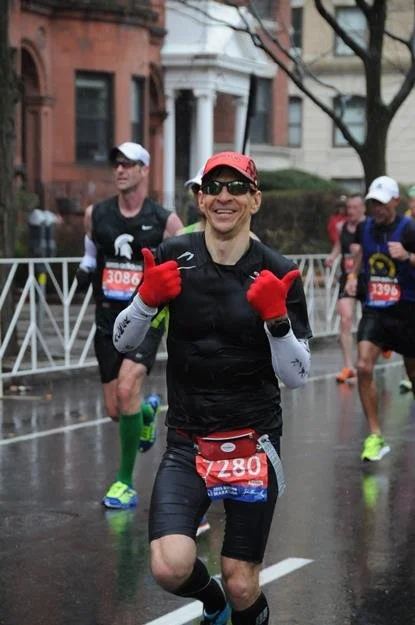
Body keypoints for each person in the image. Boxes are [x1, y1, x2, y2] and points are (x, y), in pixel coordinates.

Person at [112, 151, 312, 625]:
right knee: (169, 565)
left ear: (255, 199)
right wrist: (144, 301)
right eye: (213, 188)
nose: (224, 197)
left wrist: (277, 322)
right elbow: (124, 339)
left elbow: (299, 377)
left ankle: (236, 604)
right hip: (188, 439)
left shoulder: (278, 271)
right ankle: (213, 602)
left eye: (237, 187)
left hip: (252, 441)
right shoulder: (169, 258)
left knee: (242, 579)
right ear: (200, 200)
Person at [76, 141, 184, 508]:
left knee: (126, 390)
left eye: (128, 164)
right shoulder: (97, 214)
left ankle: (124, 483)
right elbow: (91, 252)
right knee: (115, 408)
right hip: (108, 319)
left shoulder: (165, 220)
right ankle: (148, 413)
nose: (120, 169)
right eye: (116, 164)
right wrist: (85, 269)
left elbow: (183, 262)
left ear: (144, 171)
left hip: (147, 316)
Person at [345, 176, 415, 462]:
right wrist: (352, 276)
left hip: (408, 311)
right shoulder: (365, 227)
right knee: (363, 367)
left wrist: (408, 255)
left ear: (395, 202)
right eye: (373, 203)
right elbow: (361, 253)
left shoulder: (409, 228)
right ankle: (375, 436)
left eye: (383, 203)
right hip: (376, 309)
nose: (377, 208)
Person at [325, 194, 366, 382]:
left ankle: (366, 361)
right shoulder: (342, 227)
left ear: (363, 208)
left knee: (369, 323)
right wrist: (332, 257)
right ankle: (348, 366)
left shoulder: (370, 227)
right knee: (345, 318)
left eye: (355, 207)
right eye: (349, 207)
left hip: (367, 278)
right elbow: (339, 246)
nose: (351, 211)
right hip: (348, 277)